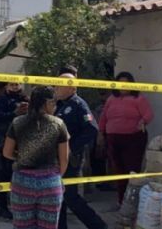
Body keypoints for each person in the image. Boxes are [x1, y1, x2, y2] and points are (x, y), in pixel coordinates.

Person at [3, 86, 70, 229]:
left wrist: (24, 155)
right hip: (50, 182)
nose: (55, 106)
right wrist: (55, 177)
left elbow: (6, 152)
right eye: (53, 103)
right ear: (47, 103)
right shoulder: (58, 124)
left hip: (22, 182)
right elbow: (64, 159)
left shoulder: (17, 122)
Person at [54, 73, 107, 229]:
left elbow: (91, 129)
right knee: (59, 195)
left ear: (72, 86)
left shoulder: (78, 104)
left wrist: (71, 148)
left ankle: (98, 225)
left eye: (60, 84)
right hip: (58, 157)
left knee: (71, 197)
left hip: (72, 158)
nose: (57, 87)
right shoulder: (59, 104)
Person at [97, 71, 154, 205]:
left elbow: (149, 114)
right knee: (118, 171)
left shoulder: (138, 98)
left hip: (133, 140)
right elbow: (104, 117)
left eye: (126, 84)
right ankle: (122, 201)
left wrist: (143, 121)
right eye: (120, 84)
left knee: (132, 171)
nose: (123, 87)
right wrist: (100, 133)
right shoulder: (111, 99)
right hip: (114, 140)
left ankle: (133, 201)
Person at [0, 81, 28, 220]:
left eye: (17, 84)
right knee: (4, 173)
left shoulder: (25, 99)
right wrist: (14, 113)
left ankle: (19, 205)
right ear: (7, 86)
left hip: (23, 141)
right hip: (5, 140)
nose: (15, 87)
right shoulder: (2, 99)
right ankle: (2, 207)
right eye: (12, 84)